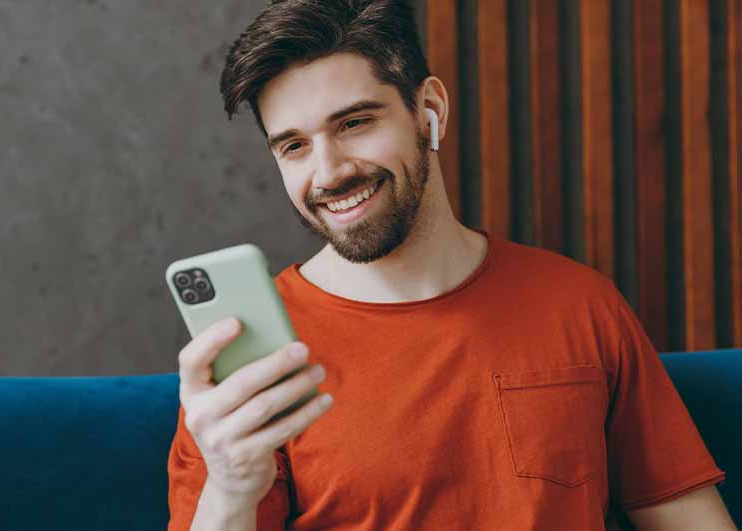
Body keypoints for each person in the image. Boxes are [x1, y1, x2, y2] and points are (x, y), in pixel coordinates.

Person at [167, 1, 735, 529]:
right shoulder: (250, 364)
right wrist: (232, 488)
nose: (330, 172)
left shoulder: (580, 303)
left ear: (430, 110)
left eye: (355, 123)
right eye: (294, 146)